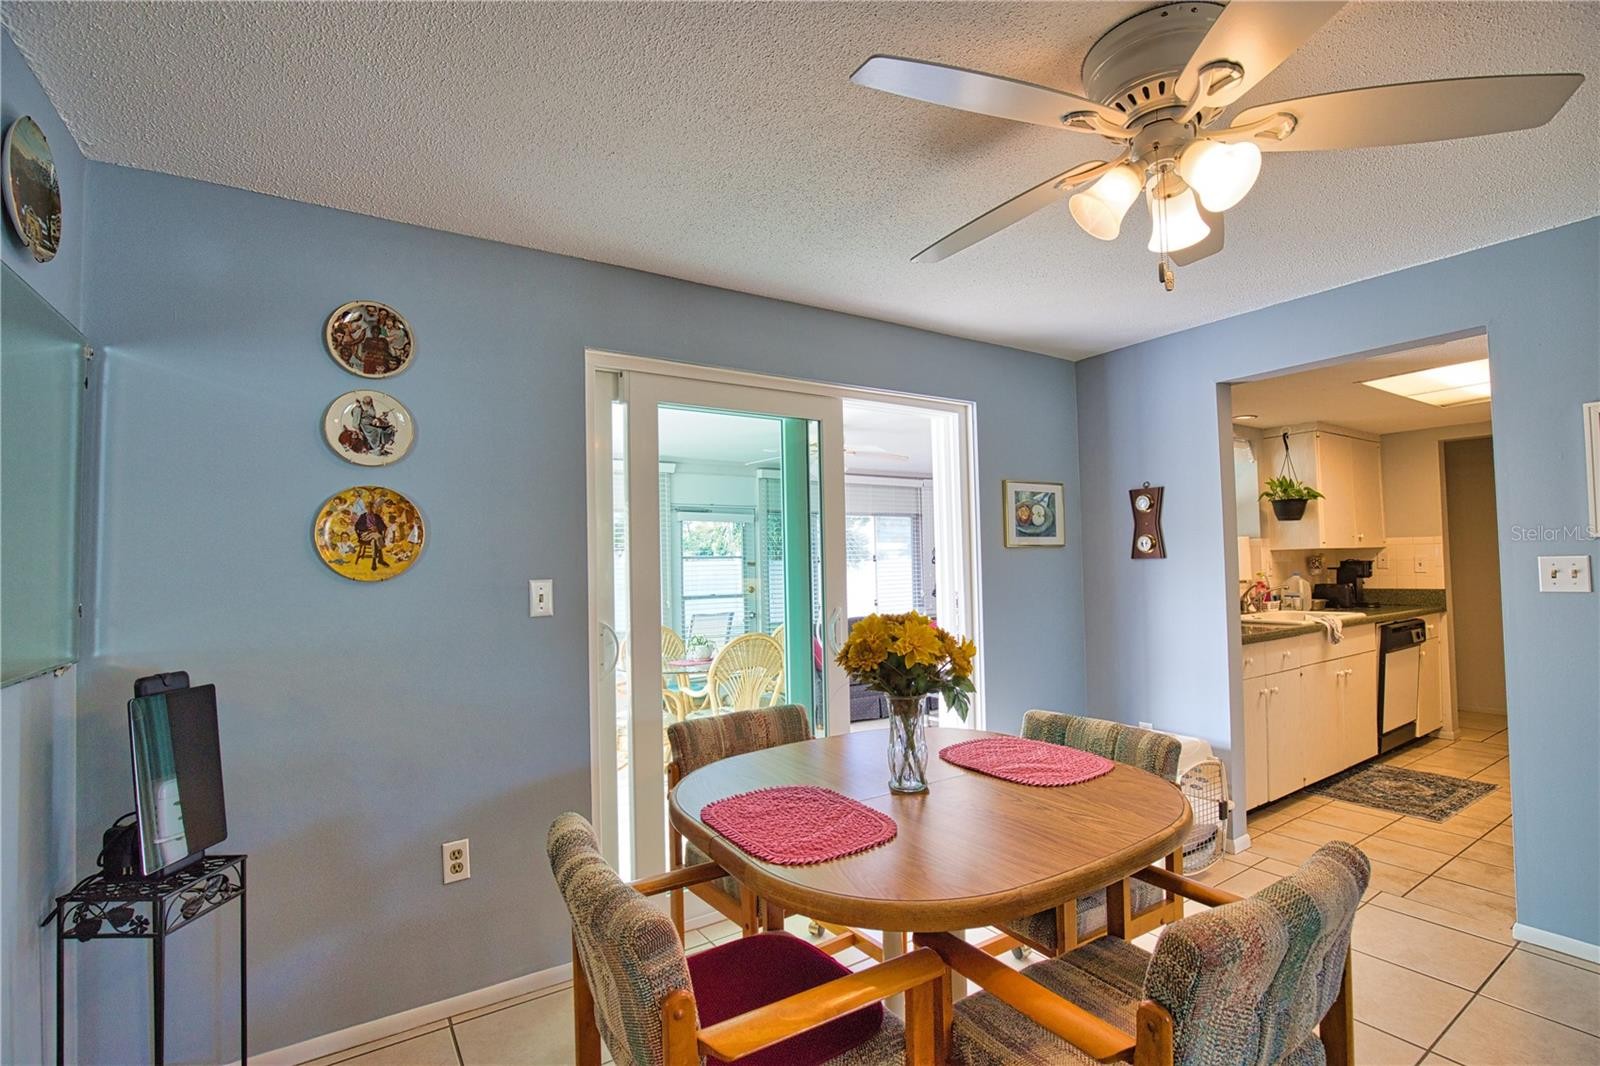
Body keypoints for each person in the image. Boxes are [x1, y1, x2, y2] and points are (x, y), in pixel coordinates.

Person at [354, 501, 389, 571]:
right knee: (378, 537)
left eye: (371, 507)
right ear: (366, 508)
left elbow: (384, 527)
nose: (369, 509)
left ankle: (374, 562)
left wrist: (377, 528)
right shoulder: (363, 516)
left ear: (373, 508)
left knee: (374, 541)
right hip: (365, 535)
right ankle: (380, 559)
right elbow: (357, 526)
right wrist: (369, 528)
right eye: (368, 507)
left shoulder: (377, 516)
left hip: (375, 534)